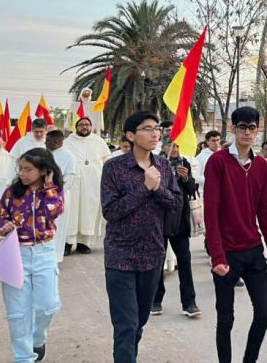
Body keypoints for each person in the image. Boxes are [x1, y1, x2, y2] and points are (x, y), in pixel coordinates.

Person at [101, 112, 182, 363]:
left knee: (139, 322)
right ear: (130, 135)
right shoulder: (114, 168)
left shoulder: (164, 166)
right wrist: (143, 187)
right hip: (121, 256)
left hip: (152, 255)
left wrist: (158, 188)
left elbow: (176, 204)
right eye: (147, 128)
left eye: (157, 128)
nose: (155, 133)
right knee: (125, 325)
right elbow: (111, 212)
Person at [204, 106, 267, 363]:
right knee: (225, 318)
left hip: (253, 251)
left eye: (252, 128)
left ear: (258, 130)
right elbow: (210, 213)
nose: (247, 132)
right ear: (233, 128)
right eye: (242, 127)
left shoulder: (261, 165)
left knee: (264, 313)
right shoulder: (218, 162)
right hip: (226, 253)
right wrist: (217, 256)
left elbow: (265, 213)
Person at [0, 148, 64, 363]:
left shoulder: (54, 191)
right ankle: (24, 357)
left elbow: (55, 211)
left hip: (44, 252)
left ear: (44, 170)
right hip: (15, 253)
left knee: (48, 305)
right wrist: (3, 226)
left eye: (28, 169)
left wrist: (49, 187)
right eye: (20, 169)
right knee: (18, 312)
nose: (22, 174)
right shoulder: (11, 192)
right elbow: (0, 217)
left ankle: (37, 338)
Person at [151, 140, 200, 318]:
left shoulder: (183, 163)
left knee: (185, 262)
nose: (176, 149)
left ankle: (189, 303)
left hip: (179, 222)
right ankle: (155, 301)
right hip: (159, 222)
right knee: (157, 263)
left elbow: (191, 189)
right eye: (172, 146)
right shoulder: (154, 163)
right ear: (163, 147)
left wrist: (186, 178)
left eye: (178, 146)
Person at [64, 117, 111, 255]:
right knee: (71, 212)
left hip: (93, 184)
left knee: (88, 212)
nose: (84, 127)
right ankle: (67, 243)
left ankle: (83, 243)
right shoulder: (68, 142)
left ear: (91, 127)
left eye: (87, 125)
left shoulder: (99, 141)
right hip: (73, 185)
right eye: (81, 125)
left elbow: (107, 161)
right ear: (76, 127)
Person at [45, 130, 77, 264]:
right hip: (43, 195)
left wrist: (54, 190)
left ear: (57, 141)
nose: (45, 143)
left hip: (59, 195)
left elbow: (69, 177)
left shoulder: (68, 156)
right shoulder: (45, 154)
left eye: (48, 140)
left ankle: (55, 256)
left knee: (58, 226)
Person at [193, 130, 221, 194]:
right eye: (213, 141)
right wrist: (212, 180)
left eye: (218, 140)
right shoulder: (200, 157)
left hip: (223, 192)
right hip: (206, 193)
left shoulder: (225, 155)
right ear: (207, 142)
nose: (216, 143)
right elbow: (195, 177)